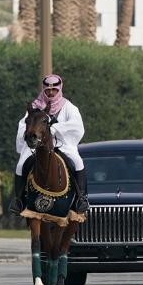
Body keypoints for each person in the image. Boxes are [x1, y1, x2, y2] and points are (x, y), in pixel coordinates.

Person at [12, 74, 87, 215]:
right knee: (21, 165)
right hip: (38, 145)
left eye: (54, 90)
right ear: (44, 90)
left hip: (62, 144)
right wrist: (31, 133)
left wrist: (54, 129)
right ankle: (18, 200)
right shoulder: (35, 106)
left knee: (78, 162)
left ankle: (81, 198)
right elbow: (23, 124)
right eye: (48, 90)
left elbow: (77, 126)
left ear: (59, 89)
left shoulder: (68, 107)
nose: (51, 93)